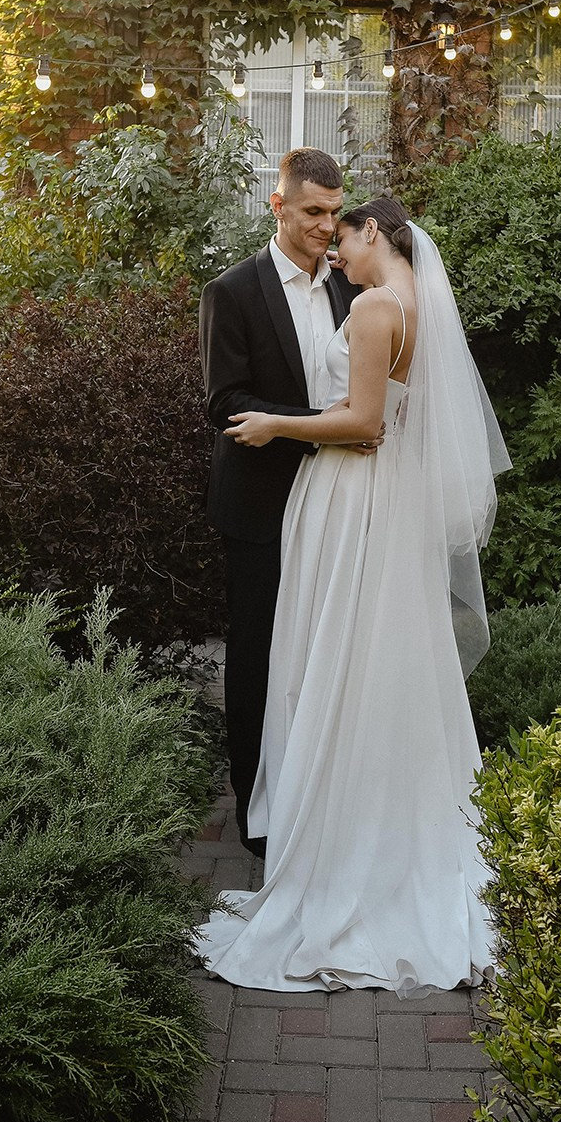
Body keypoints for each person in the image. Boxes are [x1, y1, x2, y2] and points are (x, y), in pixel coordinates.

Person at [195, 196, 511, 997]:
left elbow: (364, 423)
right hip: (386, 500)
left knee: (337, 658)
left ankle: (341, 853)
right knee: (380, 662)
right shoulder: (417, 305)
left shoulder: (373, 307)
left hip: (352, 495)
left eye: (342, 236)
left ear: (372, 231)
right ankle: (385, 832)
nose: (334, 253)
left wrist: (275, 425)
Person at [198, 148, 360, 856]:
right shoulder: (232, 291)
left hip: (343, 500)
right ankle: (257, 818)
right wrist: (325, 428)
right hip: (262, 504)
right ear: (278, 205)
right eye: (313, 212)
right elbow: (225, 403)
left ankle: (319, 798)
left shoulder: (351, 285)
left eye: (334, 213)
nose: (326, 226)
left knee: (327, 650)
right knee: (258, 657)